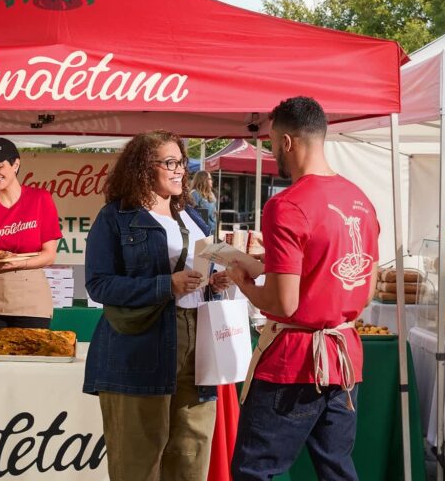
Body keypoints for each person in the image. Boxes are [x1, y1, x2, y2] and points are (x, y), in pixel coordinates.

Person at [226, 97, 379, 481]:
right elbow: (366, 284)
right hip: (343, 358)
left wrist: (244, 283)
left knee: (254, 471)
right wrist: (267, 267)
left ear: (288, 143)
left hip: (294, 363)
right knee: (337, 470)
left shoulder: (287, 204)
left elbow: (284, 303)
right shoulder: (359, 198)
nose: (272, 150)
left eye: (272, 141)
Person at [83, 130, 231, 481]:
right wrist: (167, 284)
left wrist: (214, 281)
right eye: (170, 162)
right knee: (139, 460)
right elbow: (99, 284)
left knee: (191, 452)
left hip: (197, 343)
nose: (180, 170)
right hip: (140, 344)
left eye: (182, 162)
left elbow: (197, 269)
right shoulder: (115, 217)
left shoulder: (193, 218)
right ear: (142, 168)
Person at [0, 137, 62, 339]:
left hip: (31, 298)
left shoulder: (40, 199)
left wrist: (16, 263)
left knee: (30, 363)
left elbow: (49, 255)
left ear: (16, 164)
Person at [190, 170, 218, 234]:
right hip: (201, 232)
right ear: (203, 180)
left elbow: (212, 213)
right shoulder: (195, 194)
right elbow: (191, 214)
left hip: (212, 231)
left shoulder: (211, 194)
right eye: (209, 179)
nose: (211, 181)